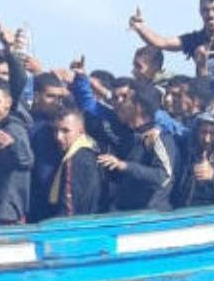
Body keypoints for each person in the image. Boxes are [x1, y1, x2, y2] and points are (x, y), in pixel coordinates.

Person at [71, 73, 177, 212]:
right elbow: (91, 106)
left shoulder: (159, 137)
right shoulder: (126, 134)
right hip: (124, 215)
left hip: (151, 220)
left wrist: (123, 165)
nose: (118, 103)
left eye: (125, 99)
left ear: (138, 106)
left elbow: (163, 177)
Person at [0, 77, 34, 224]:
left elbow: (27, 160)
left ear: (8, 103)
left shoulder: (13, 128)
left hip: (8, 215)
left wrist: (11, 144)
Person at [27, 72, 73, 222]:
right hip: (38, 205)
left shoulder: (57, 126)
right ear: (36, 96)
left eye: (60, 98)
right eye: (50, 96)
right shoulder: (32, 127)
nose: (56, 102)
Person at [44, 107, 103, 218]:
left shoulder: (75, 159)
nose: (58, 137)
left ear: (81, 131)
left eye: (65, 131)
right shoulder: (92, 149)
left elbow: (69, 206)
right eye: (56, 131)